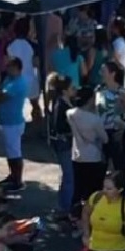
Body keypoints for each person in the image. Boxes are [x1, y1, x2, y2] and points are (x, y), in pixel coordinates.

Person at [68, 86, 108, 213]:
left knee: (78, 188)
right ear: (90, 100)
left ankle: (75, 214)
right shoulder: (95, 120)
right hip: (93, 157)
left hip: (77, 156)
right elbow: (105, 139)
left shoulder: (70, 114)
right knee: (93, 190)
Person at [0, 57, 29, 191]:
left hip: (13, 123)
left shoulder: (19, 83)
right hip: (5, 121)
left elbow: (1, 97)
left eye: (10, 67)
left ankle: (18, 181)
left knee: (15, 153)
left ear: (17, 68)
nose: (7, 69)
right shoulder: (9, 79)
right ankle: (12, 175)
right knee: (9, 152)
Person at [49, 74, 76, 219]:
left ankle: (63, 204)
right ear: (65, 90)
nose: (74, 89)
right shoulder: (61, 106)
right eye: (72, 87)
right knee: (69, 177)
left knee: (67, 176)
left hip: (65, 145)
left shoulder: (64, 102)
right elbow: (59, 127)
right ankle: (65, 208)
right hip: (64, 145)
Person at [96, 61, 125, 172]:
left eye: (104, 71)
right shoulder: (99, 90)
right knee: (101, 165)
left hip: (117, 132)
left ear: (113, 74)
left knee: (118, 164)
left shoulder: (122, 92)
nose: (101, 73)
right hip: (101, 132)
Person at [6, 18, 41, 121]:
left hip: (15, 79)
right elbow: (36, 63)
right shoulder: (33, 45)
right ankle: (38, 123)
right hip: (31, 79)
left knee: (16, 106)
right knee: (35, 104)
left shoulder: (9, 45)